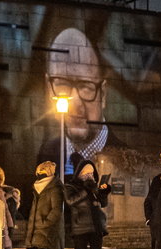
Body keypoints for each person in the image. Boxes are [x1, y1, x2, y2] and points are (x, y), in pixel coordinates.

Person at [36, 28, 125, 177]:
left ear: (103, 93)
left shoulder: (126, 159)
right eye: (62, 83)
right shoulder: (46, 153)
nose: (75, 102)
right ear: (49, 88)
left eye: (85, 86)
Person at [64, 159, 111, 249]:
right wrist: (86, 189)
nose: (89, 175)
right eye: (86, 172)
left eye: (91, 172)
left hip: (96, 226)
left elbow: (102, 203)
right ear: (79, 173)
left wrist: (104, 193)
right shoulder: (71, 186)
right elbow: (71, 201)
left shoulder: (93, 185)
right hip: (81, 226)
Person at [25, 161, 64, 249]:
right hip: (39, 229)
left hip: (48, 229)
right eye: (38, 172)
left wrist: (45, 223)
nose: (39, 175)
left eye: (42, 172)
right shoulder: (39, 188)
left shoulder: (54, 188)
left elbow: (57, 210)